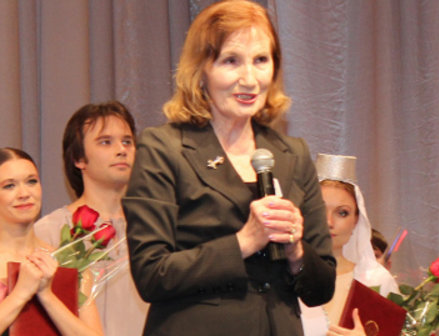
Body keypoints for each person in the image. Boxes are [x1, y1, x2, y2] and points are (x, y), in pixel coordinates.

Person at [121, 1, 336, 335]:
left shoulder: (293, 154)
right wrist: (244, 241)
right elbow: (152, 275)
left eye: (261, 60)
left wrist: (295, 250)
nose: (249, 79)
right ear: (201, 70)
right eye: (231, 61)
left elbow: (322, 289)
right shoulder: (163, 148)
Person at [34, 101, 148, 336]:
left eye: (127, 141)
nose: (121, 150)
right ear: (78, 159)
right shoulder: (49, 232)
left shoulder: (154, 226)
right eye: (106, 142)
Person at [0, 148, 104, 336]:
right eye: (9, 186)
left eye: (31, 182)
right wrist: (20, 293)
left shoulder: (68, 262)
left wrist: (47, 296)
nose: (24, 193)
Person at [300, 154, 398, 336]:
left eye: (342, 213)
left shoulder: (375, 280)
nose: (328, 222)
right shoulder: (281, 276)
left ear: (356, 221)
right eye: (319, 209)